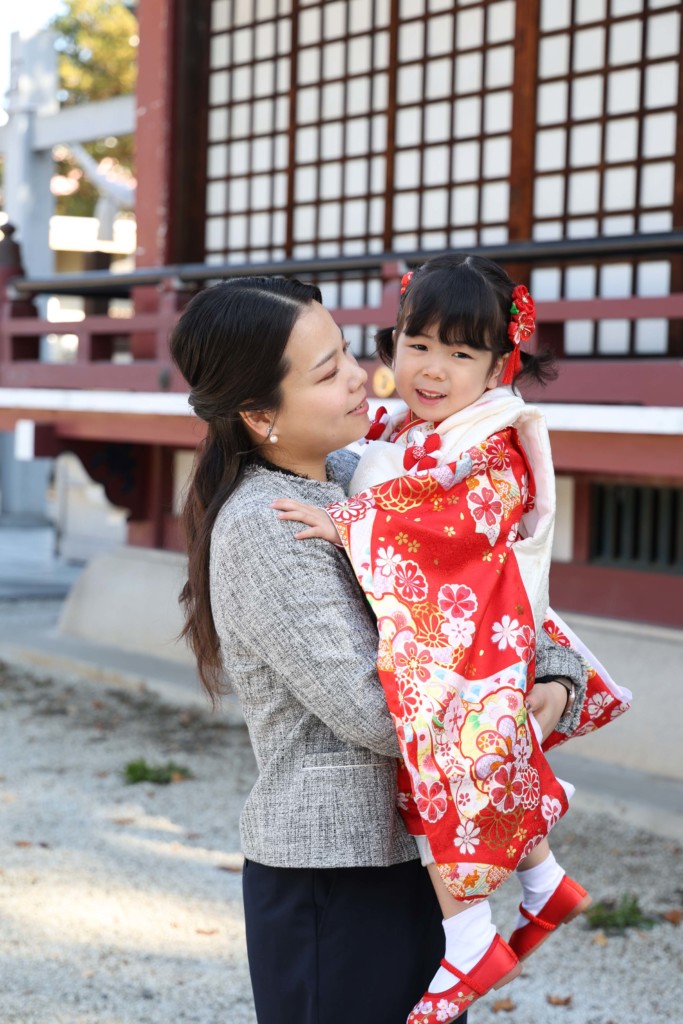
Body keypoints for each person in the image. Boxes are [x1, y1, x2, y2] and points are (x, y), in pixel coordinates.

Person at [168, 273, 595, 1024]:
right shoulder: (267, 527)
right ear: (259, 413)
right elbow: (375, 713)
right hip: (335, 878)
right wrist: (498, 704)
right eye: (328, 372)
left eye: (346, 352)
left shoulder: (364, 473)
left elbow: (499, 595)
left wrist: (555, 681)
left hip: (415, 858)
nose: (363, 377)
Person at [271, 255, 632, 1024]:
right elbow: (371, 461)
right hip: (455, 627)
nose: (433, 370)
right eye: (418, 345)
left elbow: (453, 523)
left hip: (477, 630)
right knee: (449, 768)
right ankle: (536, 887)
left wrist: (348, 522)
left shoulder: (495, 443)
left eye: (461, 354)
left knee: (437, 758)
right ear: (393, 342)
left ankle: (471, 936)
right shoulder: (405, 424)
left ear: (500, 365)